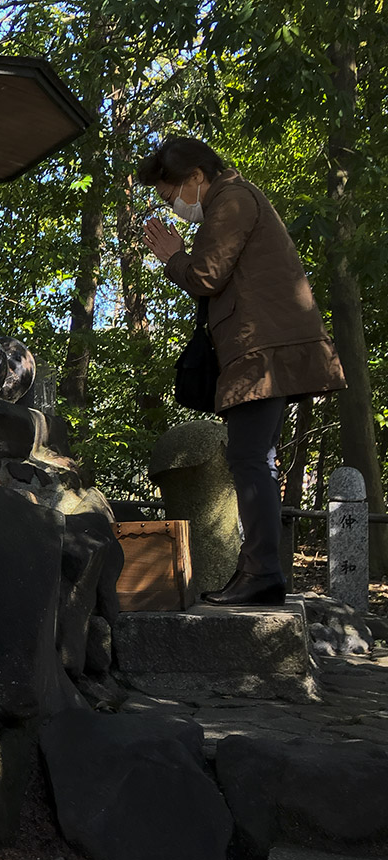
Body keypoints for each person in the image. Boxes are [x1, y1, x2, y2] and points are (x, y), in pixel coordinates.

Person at [138, 136, 346, 606]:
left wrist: (173, 255)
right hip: (260, 347)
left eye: (172, 196)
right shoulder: (233, 200)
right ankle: (258, 572)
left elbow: (207, 276)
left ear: (194, 177)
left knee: (250, 460)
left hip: (260, 350)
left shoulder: (230, 199)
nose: (174, 208)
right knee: (253, 459)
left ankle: (263, 574)